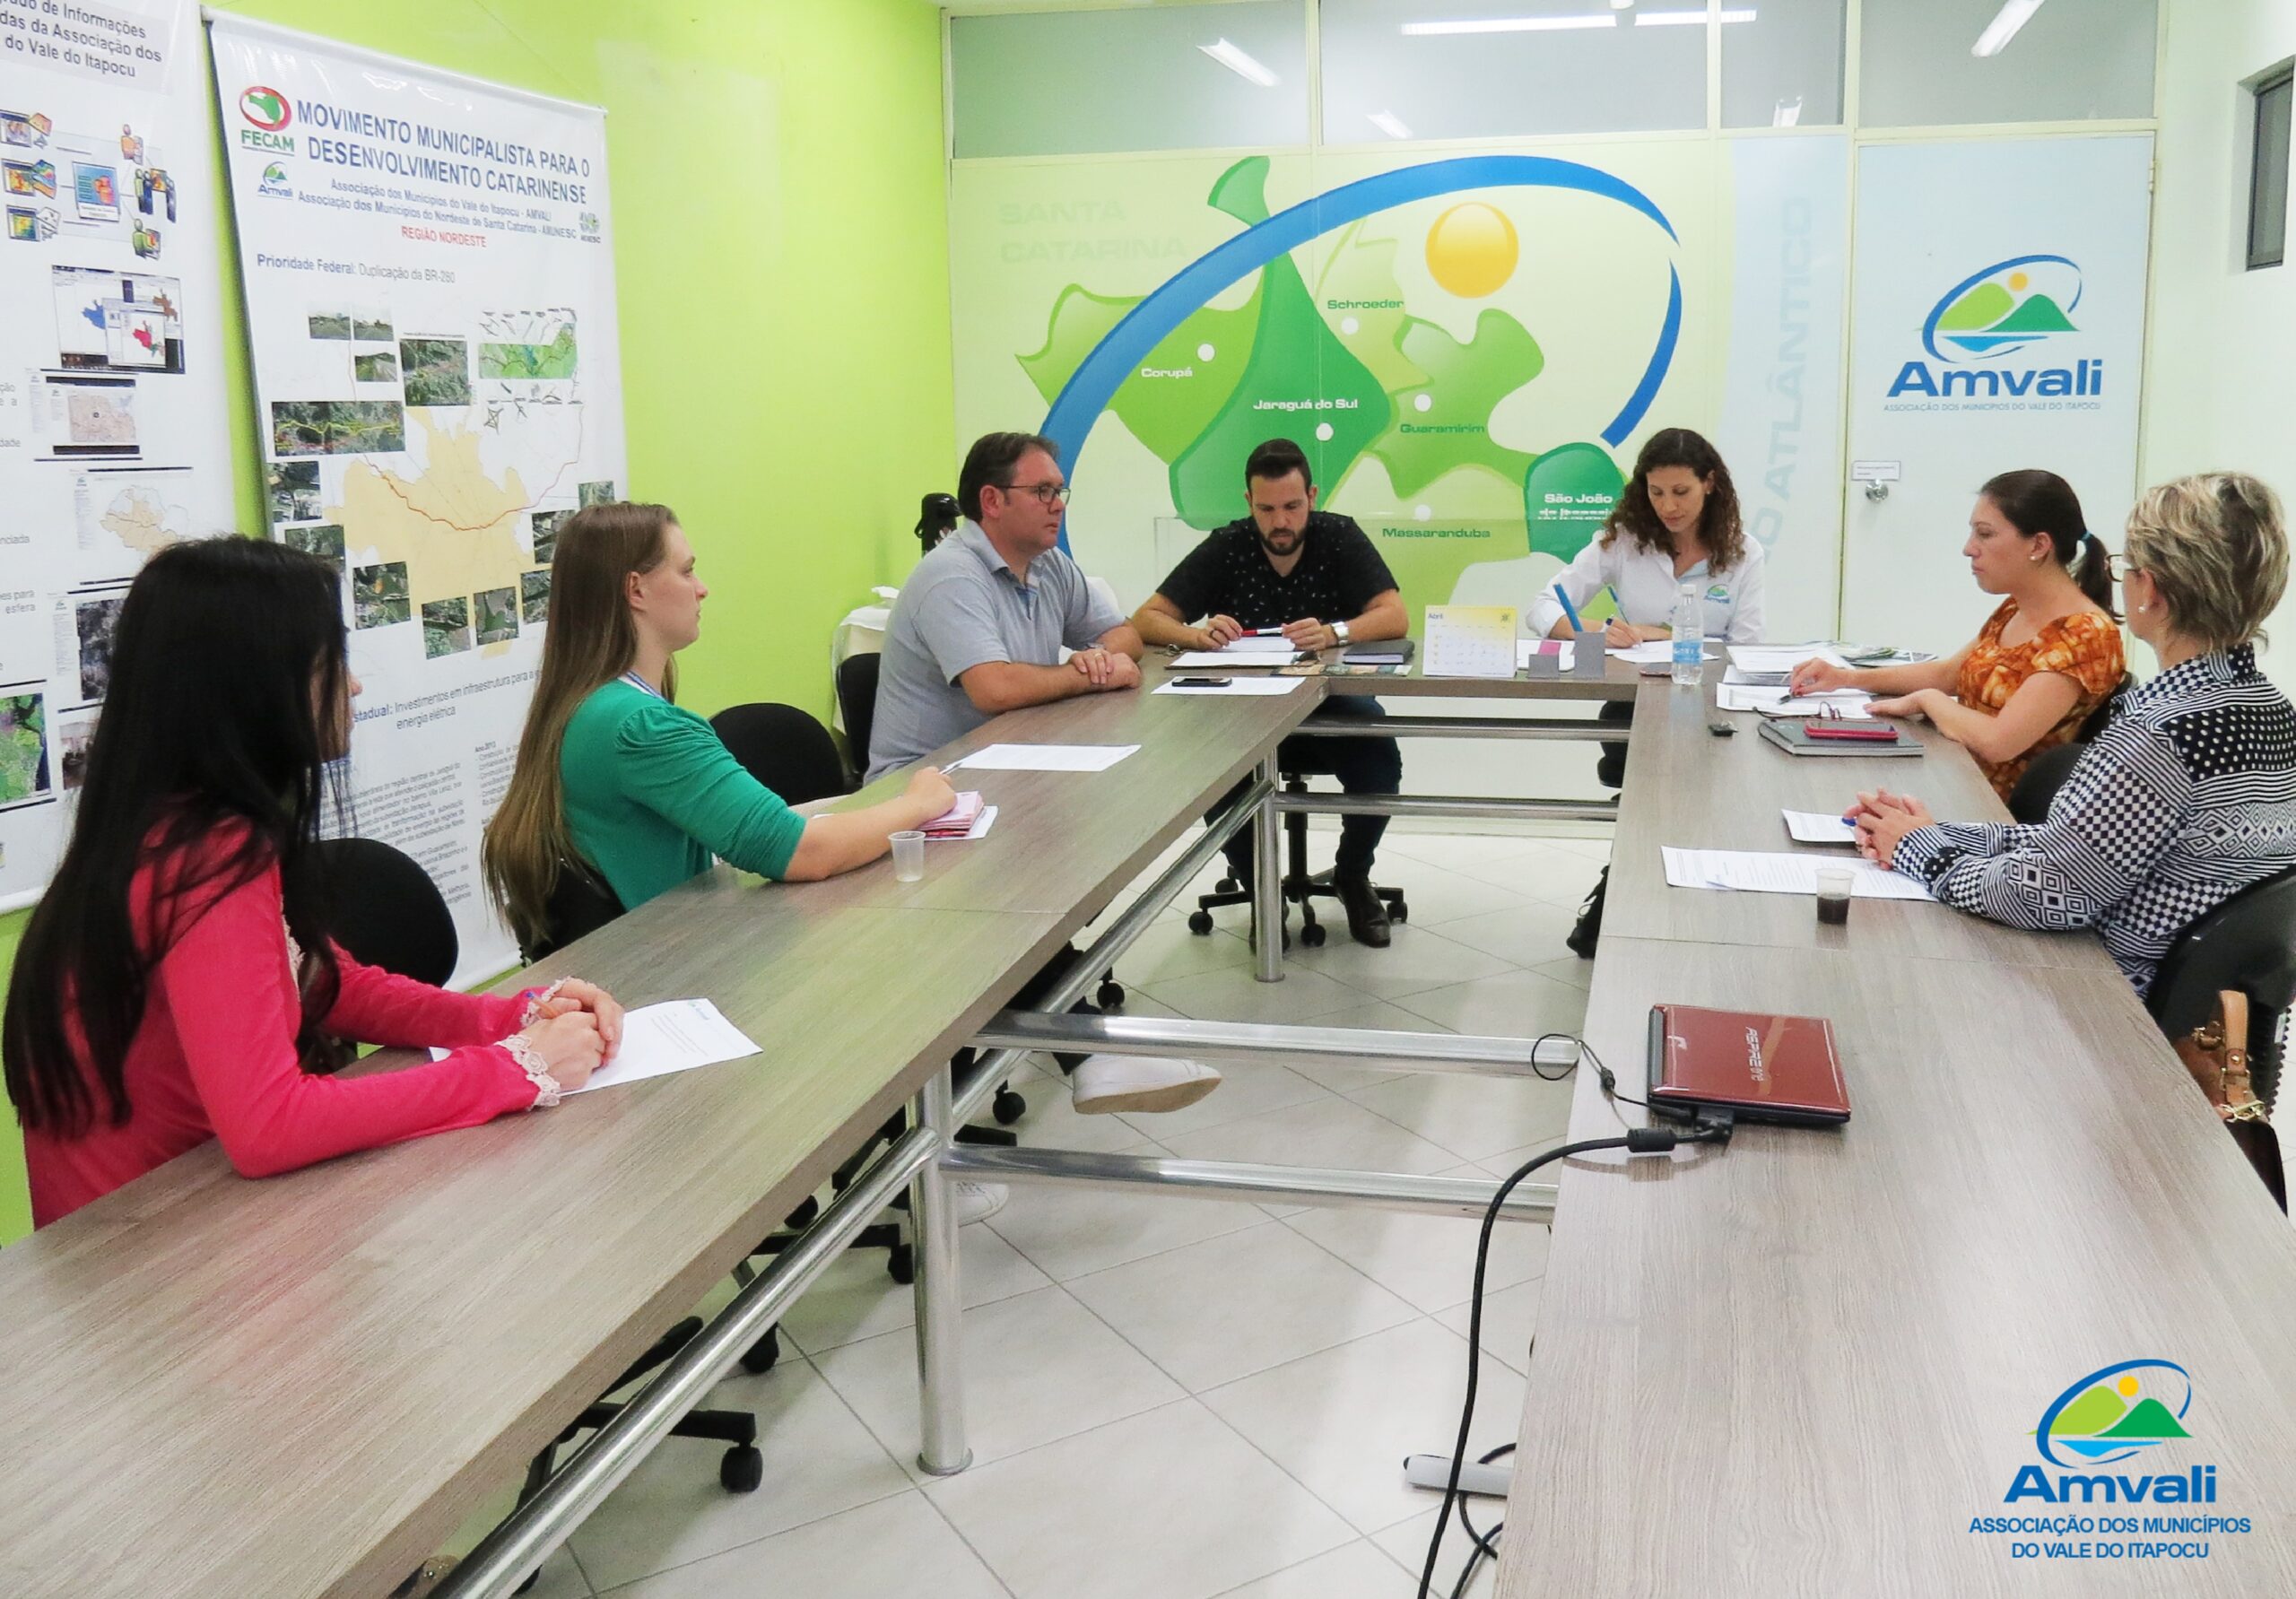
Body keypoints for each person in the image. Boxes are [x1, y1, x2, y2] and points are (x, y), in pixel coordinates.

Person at [4, 539, 624, 1230]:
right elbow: (269, 1126)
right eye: (333, 663)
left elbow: (323, 981)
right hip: (155, 1269)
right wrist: (516, 1070)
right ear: (256, 686)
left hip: (168, 1232)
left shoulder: (170, 822)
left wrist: (508, 1019)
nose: (354, 687)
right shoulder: (207, 850)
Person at [869, 431, 1220, 1117]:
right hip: (919, 794)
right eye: (1045, 491)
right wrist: (1085, 674)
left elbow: (1121, 634)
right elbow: (993, 688)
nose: (1059, 503)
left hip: (1005, 772)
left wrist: (1101, 659)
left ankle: (1087, 1056)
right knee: (1009, 906)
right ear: (992, 501)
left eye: (1061, 490)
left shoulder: (1049, 565)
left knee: (1042, 880)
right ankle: (1089, 1054)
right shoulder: (953, 575)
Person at [1855, 472, 2296, 999]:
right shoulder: (2270, 711)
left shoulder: (2159, 735)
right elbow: (2081, 847)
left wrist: (1918, 852)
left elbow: (2046, 893)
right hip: (2202, 1015)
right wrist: (1938, 834)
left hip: (2101, 1000)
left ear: (2150, 588)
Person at [484, 501, 959, 946]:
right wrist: (920, 805)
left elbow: (764, 825)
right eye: (686, 571)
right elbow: (803, 854)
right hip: (677, 962)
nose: (701, 587)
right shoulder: (642, 727)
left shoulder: (588, 706)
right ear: (637, 590)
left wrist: (876, 804)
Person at [1132, 437, 1409, 946]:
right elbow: (1146, 619)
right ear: (1248, 504)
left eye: (1293, 506)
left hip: (1327, 707)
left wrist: (1335, 633)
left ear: (1312, 496)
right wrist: (1198, 635)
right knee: (1214, 771)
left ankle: (1352, 874)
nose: (1281, 522)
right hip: (1242, 713)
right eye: (1267, 509)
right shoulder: (1228, 545)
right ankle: (1263, 887)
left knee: (1378, 755)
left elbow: (1394, 615)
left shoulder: (1339, 537)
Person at [1526, 428, 1765, 955]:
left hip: (1708, 704)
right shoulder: (1624, 542)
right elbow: (1541, 609)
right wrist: (1586, 630)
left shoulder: (1744, 553)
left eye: (1680, 492)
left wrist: (1667, 633)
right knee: (1652, 798)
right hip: (1636, 703)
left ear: (1710, 485)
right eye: (1656, 493)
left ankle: (1633, 897)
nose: (1668, 506)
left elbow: (1746, 649)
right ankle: (1623, 899)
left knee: (1693, 801)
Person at [1788, 469, 2125, 804]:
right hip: (1953, 777)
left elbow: (1998, 741)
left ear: (2038, 545)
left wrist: (1927, 700)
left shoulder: (2084, 636)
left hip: (1989, 813)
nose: (1969, 549)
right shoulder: (2017, 607)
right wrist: (1845, 677)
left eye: (1985, 534)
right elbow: (1949, 675)